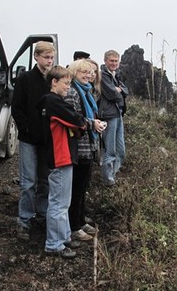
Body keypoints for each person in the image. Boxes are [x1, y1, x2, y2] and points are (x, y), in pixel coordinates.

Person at [38, 65, 86, 258]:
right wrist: (81, 124)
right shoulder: (53, 101)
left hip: (63, 156)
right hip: (60, 156)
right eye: (66, 83)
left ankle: (64, 236)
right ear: (54, 82)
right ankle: (54, 243)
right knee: (58, 202)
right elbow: (77, 120)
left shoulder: (52, 101)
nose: (68, 87)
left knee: (63, 201)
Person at [11, 41, 56, 240]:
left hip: (47, 139)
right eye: (46, 57)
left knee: (45, 180)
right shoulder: (25, 78)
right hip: (29, 139)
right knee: (28, 182)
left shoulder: (53, 80)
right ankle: (25, 220)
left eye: (52, 58)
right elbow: (17, 108)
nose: (49, 61)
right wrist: (26, 128)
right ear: (36, 56)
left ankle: (42, 214)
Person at [65, 60, 106, 242]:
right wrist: (92, 124)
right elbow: (73, 119)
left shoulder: (86, 91)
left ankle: (80, 220)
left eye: (90, 72)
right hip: (78, 146)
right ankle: (73, 226)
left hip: (87, 145)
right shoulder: (73, 92)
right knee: (76, 187)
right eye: (84, 72)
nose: (88, 75)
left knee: (83, 186)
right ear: (75, 72)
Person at [98, 50, 128, 186]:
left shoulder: (116, 75)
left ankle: (113, 176)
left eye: (116, 61)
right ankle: (108, 181)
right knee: (110, 151)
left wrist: (120, 90)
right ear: (105, 61)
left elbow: (126, 90)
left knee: (121, 151)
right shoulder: (102, 75)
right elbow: (111, 93)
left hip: (118, 114)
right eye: (111, 61)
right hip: (109, 115)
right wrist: (119, 92)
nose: (114, 63)